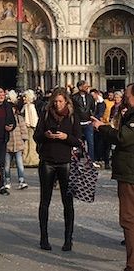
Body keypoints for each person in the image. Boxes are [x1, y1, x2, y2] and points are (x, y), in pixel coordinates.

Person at [92, 83, 134, 271]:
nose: (124, 97)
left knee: (128, 218)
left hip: (130, 173)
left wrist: (102, 127)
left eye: (126, 94)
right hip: (128, 171)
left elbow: (123, 138)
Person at [34, 88, 81, 251]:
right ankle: (44, 238)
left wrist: (65, 137)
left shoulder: (72, 117)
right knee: (44, 201)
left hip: (65, 162)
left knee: (67, 202)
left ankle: (68, 239)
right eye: (55, 101)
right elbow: (36, 135)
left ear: (66, 102)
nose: (57, 104)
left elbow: (78, 140)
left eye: (60, 101)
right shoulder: (45, 115)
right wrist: (45, 135)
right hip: (47, 161)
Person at [72, 80, 98, 166]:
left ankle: (91, 160)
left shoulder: (90, 97)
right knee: (78, 142)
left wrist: (91, 117)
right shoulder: (74, 97)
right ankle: (77, 160)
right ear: (80, 87)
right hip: (78, 123)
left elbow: (93, 108)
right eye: (85, 86)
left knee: (90, 142)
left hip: (88, 123)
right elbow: (72, 110)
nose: (87, 87)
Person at [5, 101, 29, 190]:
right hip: (7, 146)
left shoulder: (19, 118)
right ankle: (7, 181)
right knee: (7, 165)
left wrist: (24, 141)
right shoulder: (5, 119)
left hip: (18, 145)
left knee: (20, 164)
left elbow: (24, 130)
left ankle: (22, 181)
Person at [22, 89, 40, 167]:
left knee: (31, 144)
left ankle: (31, 160)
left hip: (30, 128)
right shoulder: (26, 106)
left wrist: (33, 126)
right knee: (27, 144)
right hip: (26, 127)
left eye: (25, 97)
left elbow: (33, 118)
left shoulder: (30, 106)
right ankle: (26, 159)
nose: (23, 98)